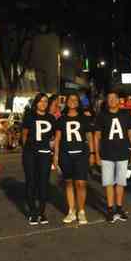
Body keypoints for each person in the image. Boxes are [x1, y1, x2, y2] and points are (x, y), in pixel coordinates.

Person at [94, 90, 131, 223]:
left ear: (119, 100)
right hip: (107, 154)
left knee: (120, 182)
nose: (112, 100)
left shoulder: (125, 115)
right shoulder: (101, 116)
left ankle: (119, 208)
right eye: (109, 98)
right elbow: (97, 137)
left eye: (114, 98)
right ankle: (110, 209)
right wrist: (96, 154)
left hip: (123, 153)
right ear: (107, 101)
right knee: (108, 183)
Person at [53, 93, 93, 225]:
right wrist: (56, 156)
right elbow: (58, 139)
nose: (73, 101)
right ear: (67, 102)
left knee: (81, 183)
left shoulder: (84, 118)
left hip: (81, 154)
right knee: (69, 182)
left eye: (75, 100)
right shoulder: (61, 119)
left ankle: (81, 211)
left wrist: (92, 153)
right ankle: (71, 210)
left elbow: (89, 137)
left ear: (78, 103)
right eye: (70, 99)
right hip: (66, 154)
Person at [21, 93, 56, 224]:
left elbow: (53, 137)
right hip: (30, 153)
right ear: (36, 103)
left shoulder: (51, 118)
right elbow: (24, 135)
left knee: (43, 182)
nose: (43, 104)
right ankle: (32, 212)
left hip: (45, 154)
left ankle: (41, 211)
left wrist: (52, 150)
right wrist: (26, 150)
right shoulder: (29, 116)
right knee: (31, 181)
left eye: (45, 102)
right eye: (40, 101)